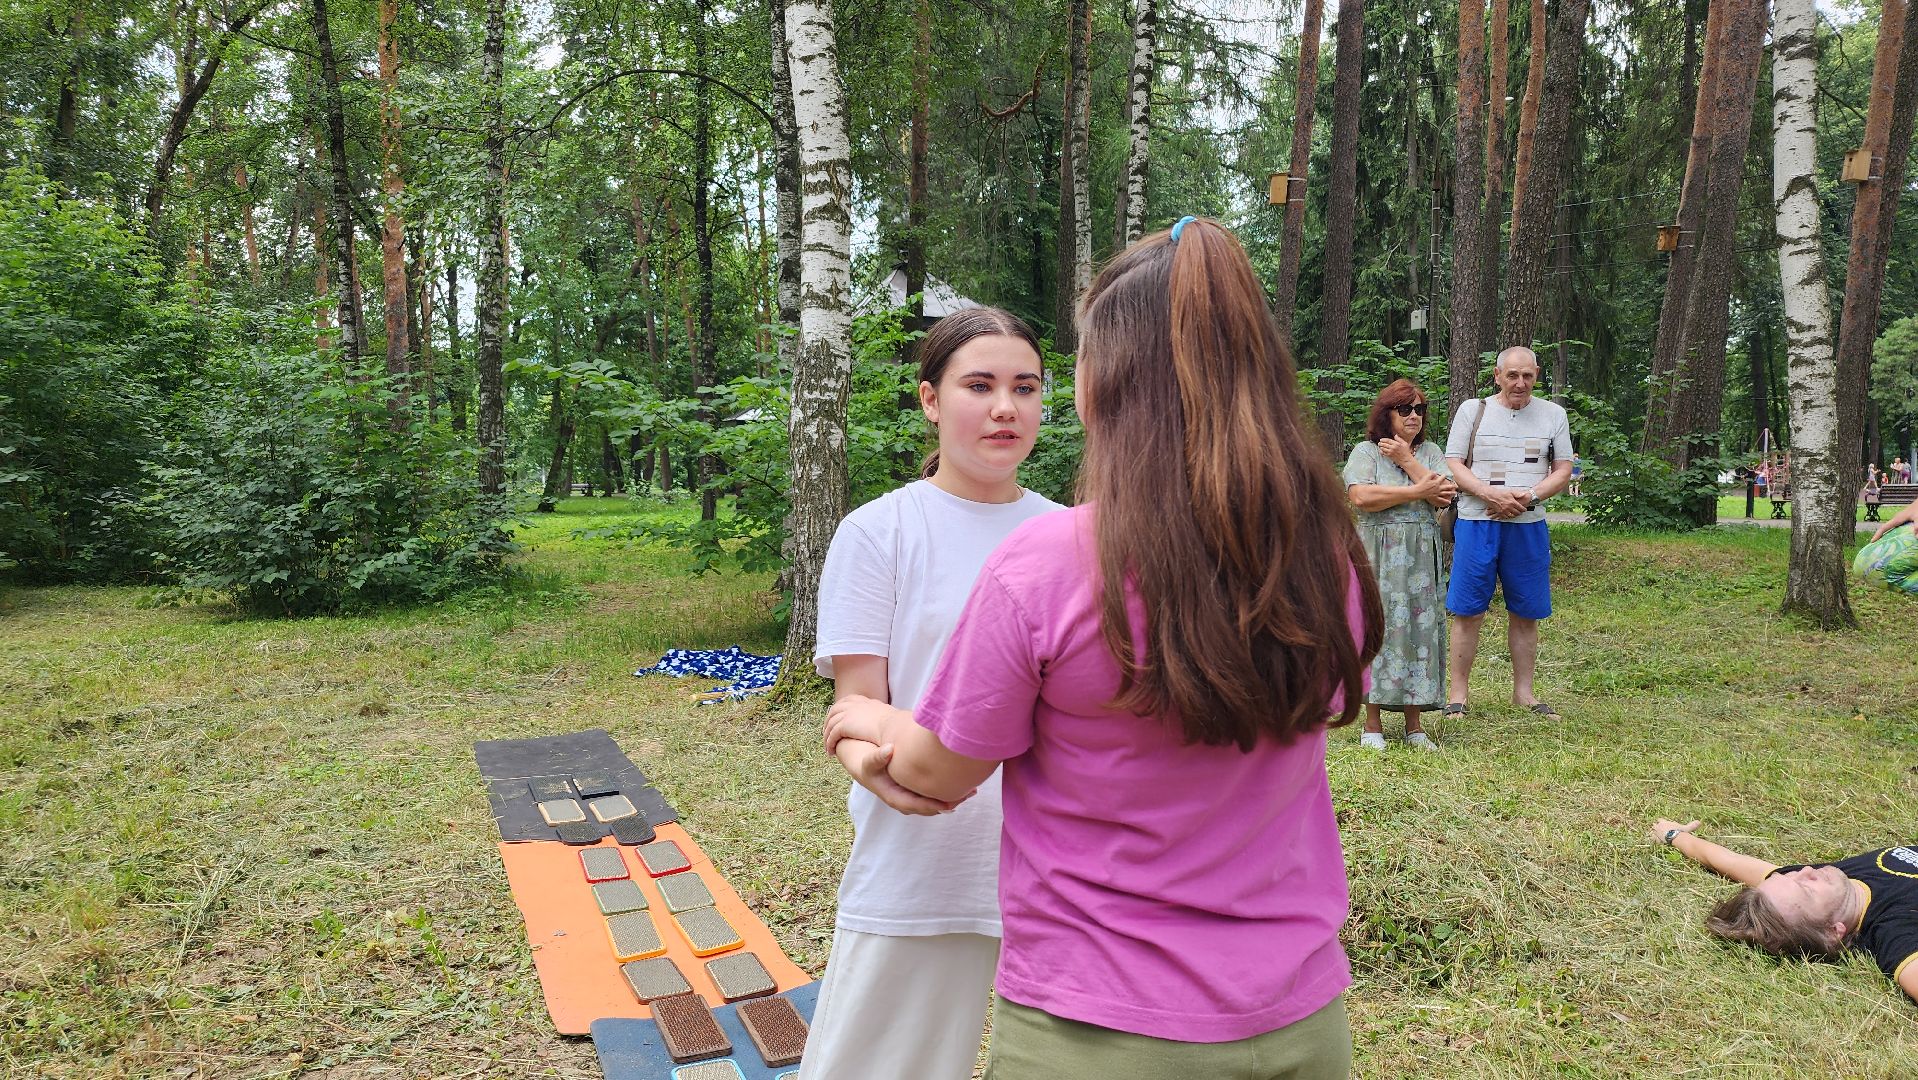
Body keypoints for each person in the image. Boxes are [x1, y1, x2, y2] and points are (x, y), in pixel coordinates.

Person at [825, 217, 1382, 1078]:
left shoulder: (1048, 560)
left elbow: (936, 774)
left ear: (1101, 383)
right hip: (1300, 1022)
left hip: (1099, 1026)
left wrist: (863, 723)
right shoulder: (1322, 552)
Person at [803, 307, 1064, 1080]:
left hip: (1060, 868)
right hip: (922, 857)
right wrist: (875, 766)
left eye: (1025, 388)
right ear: (929, 400)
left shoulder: (1075, 535)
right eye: (978, 386)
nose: (1005, 407)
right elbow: (857, 705)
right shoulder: (879, 533)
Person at [1647, 819, 1918, 1005]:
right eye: (1807, 890)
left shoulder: (1834, 883)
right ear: (1833, 931)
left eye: (1791, 875)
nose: (1807, 871)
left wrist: (1673, 835)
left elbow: (1726, 860)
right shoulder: (1895, 931)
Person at [1442, 346, 1574, 722]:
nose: (1520, 383)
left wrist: (1528, 497)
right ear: (1497, 375)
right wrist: (1489, 494)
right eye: (1512, 375)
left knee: (1526, 611)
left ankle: (1524, 694)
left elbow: (1563, 469)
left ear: (1536, 375)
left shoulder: (1553, 414)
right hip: (1476, 522)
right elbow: (1454, 462)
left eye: (1527, 376)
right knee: (1468, 610)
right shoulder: (1472, 410)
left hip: (1527, 526)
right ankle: (1458, 696)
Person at [1343, 379, 1456, 750]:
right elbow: (1361, 496)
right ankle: (1371, 725)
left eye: (1420, 409)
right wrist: (1416, 491)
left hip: (1421, 557)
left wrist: (1407, 460)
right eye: (1404, 409)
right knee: (1378, 628)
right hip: (1377, 553)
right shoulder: (1366, 452)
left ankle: (1415, 726)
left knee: (1420, 630)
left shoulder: (1430, 452)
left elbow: (1445, 494)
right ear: (1386, 414)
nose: (1413, 416)